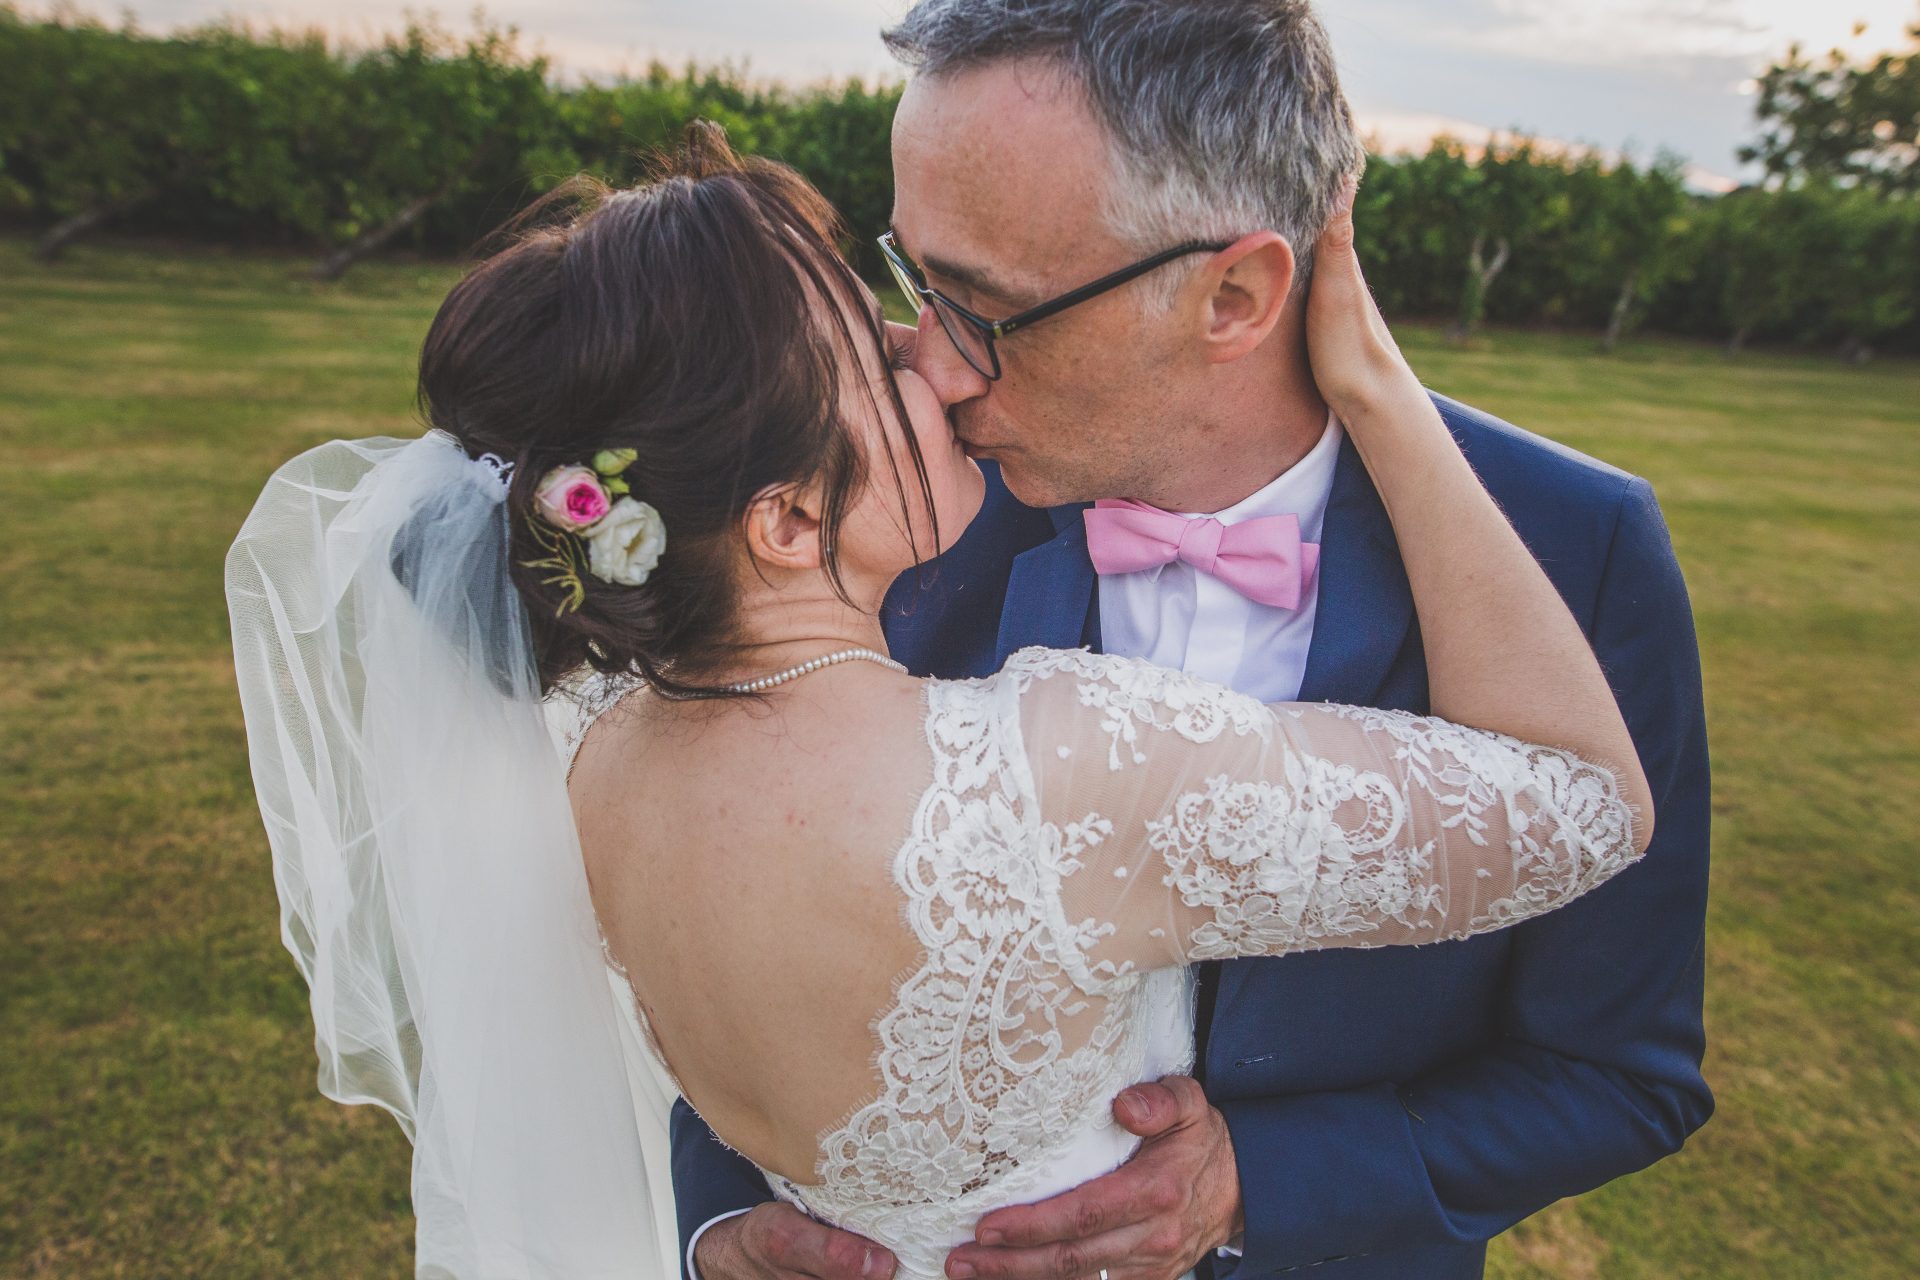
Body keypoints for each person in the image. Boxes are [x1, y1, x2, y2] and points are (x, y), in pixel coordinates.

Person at [229, 120, 1662, 1280]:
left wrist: (736, 1231)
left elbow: (1625, 1066)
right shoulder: (1055, 770)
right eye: (873, 345)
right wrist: (1382, 389)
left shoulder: (593, 763)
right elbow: (1584, 803)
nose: (934, 358)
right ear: (788, 523)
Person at [674, 4, 1713, 1280]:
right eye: (916, 283)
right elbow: (725, 903)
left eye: (984, 309)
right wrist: (727, 1219)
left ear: (1237, 292)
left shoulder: (1575, 547)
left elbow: (1619, 1073)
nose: (932, 372)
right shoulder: (898, 518)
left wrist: (1259, 1182)